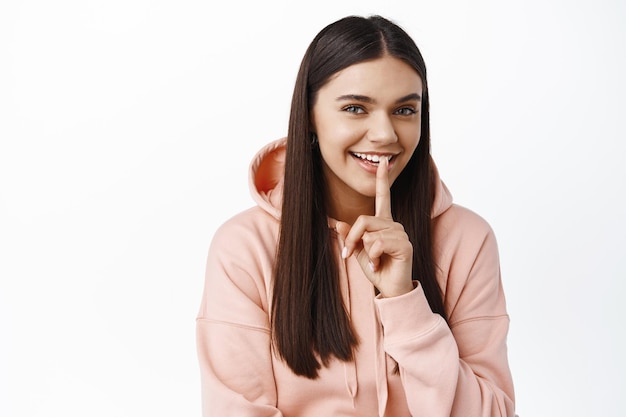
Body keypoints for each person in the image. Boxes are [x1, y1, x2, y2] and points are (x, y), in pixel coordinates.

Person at [196, 15, 516, 417]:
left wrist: (404, 301)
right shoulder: (244, 247)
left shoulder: (467, 240)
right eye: (355, 108)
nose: (384, 133)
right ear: (310, 115)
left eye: (404, 110)